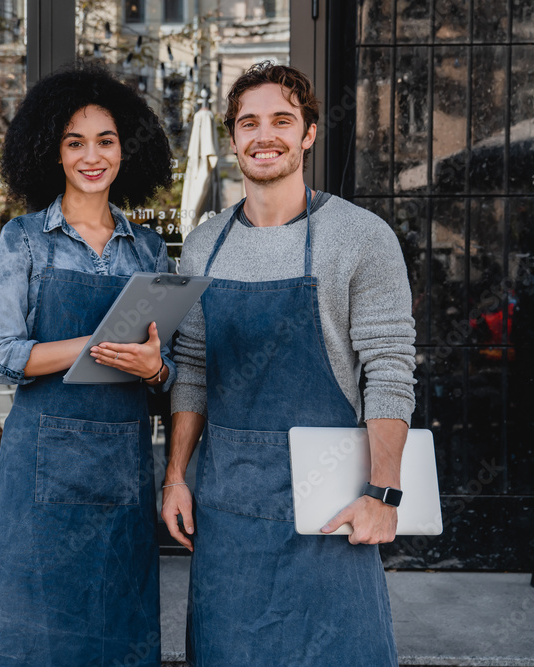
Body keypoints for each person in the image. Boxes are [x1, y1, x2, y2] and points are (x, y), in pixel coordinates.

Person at [162, 61, 416, 666]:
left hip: (334, 506)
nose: (263, 134)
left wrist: (384, 492)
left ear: (307, 134)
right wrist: (175, 476)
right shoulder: (203, 245)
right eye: (248, 123)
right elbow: (192, 369)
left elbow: (388, 368)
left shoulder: (360, 236)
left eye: (282, 119)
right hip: (229, 515)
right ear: (233, 140)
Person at [0, 64, 175, 667]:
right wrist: (92, 345)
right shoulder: (24, 240)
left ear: (127, 150)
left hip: (124, 471)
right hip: (38, 473)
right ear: (52, 153)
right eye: (75, 142)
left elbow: (169, 378)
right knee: (27, 635)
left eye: (106, 141)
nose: (91, 156)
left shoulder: (150, 250)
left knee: (114, 631)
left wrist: (154, 369)